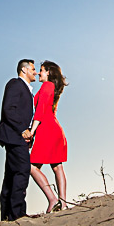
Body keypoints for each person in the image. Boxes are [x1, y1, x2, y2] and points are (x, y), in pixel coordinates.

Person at [0, 59, 36, 221]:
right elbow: (8, 109)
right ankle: (17, 214)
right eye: (33, 69)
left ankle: (7, 215)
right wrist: (22, 129)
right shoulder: (15, 84)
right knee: (22, 170)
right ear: (24, 70)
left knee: (11, 176)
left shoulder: (24, 88)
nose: (36, 72)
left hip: (16, 137)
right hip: (14, 136)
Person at [29, 60, 68, 213]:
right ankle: (63, 203)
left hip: (47, 130)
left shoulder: (47, 85)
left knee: (31, 167)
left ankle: (53, 200)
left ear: (49, 73)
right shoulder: (51, 87)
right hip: (52, 129)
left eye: (41, 70)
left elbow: (40, 111)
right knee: (57, 167)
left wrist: (32, 131)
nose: (39, 73)